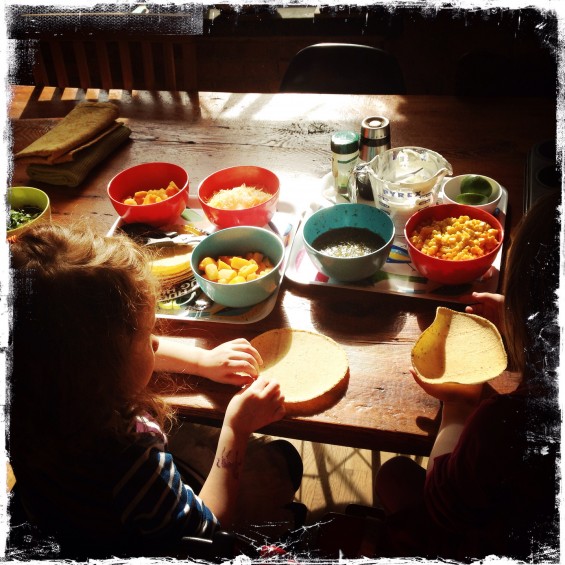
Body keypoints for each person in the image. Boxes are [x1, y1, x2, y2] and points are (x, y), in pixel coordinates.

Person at [8, 222, 302, 558]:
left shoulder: (29, 395)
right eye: (145, 336)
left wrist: (201, 359)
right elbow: (209, 525)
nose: (158, 341)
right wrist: (235, 427)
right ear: (103, 372)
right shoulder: (130, 458)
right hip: (155, 544)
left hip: (60, 524)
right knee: (283, 463)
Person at [372, 190, 561, 561]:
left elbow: (442, 503)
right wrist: (523, 326)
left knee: (393, 477)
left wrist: (457, 404)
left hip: (491, 543)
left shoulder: (504, 424)